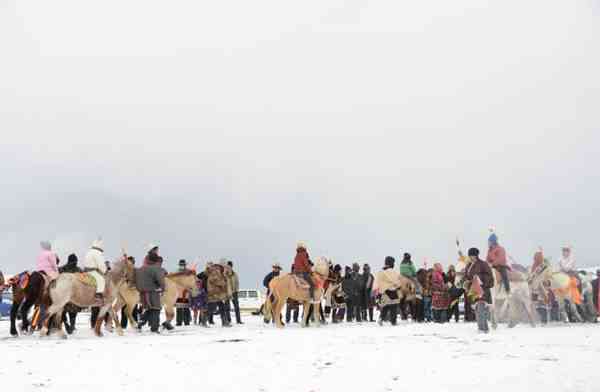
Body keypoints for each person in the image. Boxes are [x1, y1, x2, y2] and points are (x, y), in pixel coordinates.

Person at [465, 248, 494, 333]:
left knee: (481, 309)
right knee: (477, 310)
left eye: (472, 255)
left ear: (476, 255)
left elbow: (489, 275)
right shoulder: (468, 265)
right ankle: (480, 327)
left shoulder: (483, 264)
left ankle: (483, 328)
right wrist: (466, 281)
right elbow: (467, 276)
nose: (471, 257)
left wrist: (479, 279)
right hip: (473, 290)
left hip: (482, 290)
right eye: (470, 255)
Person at [136, 251, 166, 334]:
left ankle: (141, 322)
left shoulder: (141, 268)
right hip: (152, 292)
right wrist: (162, 288)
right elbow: (161, 280)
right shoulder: (156, 268)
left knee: (149, 309)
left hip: (142, 293)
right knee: (156, 309)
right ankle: (154, 328)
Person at [374, 256, 402, 326]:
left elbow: (377, 283)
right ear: (392, 263)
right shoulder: (394, 272)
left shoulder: (380, 272)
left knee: (385, 307)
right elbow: (398, 283)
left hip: (384, 292)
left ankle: (381, 318)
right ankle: (393, 321)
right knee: (393, 307)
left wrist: (377, 293)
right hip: (393, 292)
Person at [59, 254, 82, 333]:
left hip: (65, 293)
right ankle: (70, 325)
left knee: (64, 311)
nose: (76, 263)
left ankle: (68, 324)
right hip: (72, 294)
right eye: (75, 261)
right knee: (71, 311)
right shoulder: (78, 269)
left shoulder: (62, 269)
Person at [206, 262, 231, 327]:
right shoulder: (215, 272)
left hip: (217, 294)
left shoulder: (219, 272)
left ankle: (224, 322)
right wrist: (222, 283)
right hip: (213, 294)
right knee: (211, 308)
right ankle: (203, 321)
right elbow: (214, 280)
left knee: (222, 308)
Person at [83, 238, 107, 305]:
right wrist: (105, 271)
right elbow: (101, 264)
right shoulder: (97, 253)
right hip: (92, 271)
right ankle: (98, 296)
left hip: (85, 270)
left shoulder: (89, 251)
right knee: (101, 280)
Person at [175, 259, 192, 327]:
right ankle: (179, 322)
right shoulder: (176, 272)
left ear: (185, 265)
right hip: (178, 293)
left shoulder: (188, 272)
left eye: (183, 265)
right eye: (181, 265)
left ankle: (186, 322)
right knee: (179, 308)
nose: (182, 266)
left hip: (186, 293)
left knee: (186, 308)